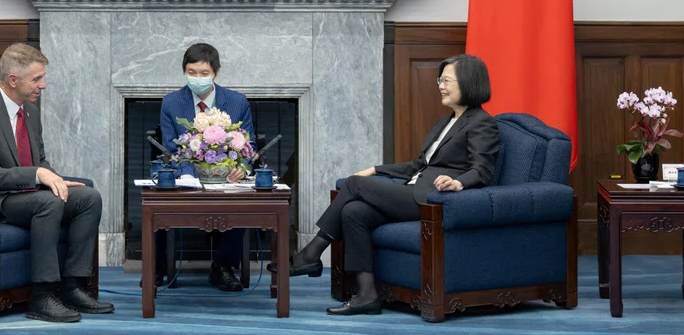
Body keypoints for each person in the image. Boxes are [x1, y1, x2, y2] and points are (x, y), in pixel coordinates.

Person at [269, 54, 500, 316]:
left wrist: (457, 182)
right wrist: (376, 169)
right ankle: (366, 295)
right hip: (414, 191)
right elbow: (417, 165)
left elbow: (482, 170)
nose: (440, 86)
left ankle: (310, 255)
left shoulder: (482, 123)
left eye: (446, 80)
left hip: (432, 200)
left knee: (355, 184)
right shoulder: (444, 122)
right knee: (353, 212)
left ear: (469, 82)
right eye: (440, 80)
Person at [0, 43, 114, 324]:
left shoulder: (29, 112)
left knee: (88, 197)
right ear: (13, 80)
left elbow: (39, 159)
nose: (44, 85)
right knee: (48, 202)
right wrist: (40, 176)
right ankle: (41, 296)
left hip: (26, 193)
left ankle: (73, 286)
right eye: (37, 79)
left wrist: (56, 179)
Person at [158, 42, 255, 291]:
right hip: (186, 175)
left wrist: (242, 169)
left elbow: (248, 145)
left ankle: (222, 267)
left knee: (242, 203)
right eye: (192, 72)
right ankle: (158, 267)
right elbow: (170, 147)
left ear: (216, 73)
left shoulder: (236, 101)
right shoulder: (171, 102)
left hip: (226, 177)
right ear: (184, 71)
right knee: (156, 200)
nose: (197, 78)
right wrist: (190, 175)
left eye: (204, 73)